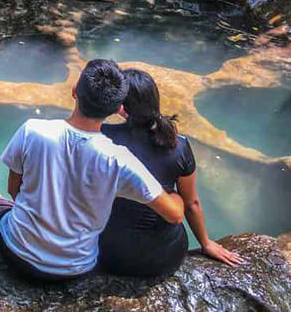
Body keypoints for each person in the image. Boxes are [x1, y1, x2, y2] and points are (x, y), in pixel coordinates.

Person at [0, 59, 185, 281]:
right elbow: (175, 215)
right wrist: (176, 196)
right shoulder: (120, 160)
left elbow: (13, 188)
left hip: (17, 251)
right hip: (75, 268)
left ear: (74, 91)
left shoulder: (32, 130)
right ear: (118, 110)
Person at [99, 68, 245, 276]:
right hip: (163, 257)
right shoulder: (178, 145)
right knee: (173, 199)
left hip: (109, 254)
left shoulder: (103, 137)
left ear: (121, 107)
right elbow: (191, 203)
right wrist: (206, 243)